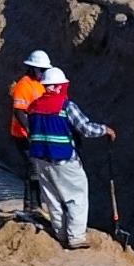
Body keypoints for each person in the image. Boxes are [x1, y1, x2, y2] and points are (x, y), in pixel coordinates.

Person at [23, 65, 114, 249]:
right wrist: (105, 129)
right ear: (58, 86)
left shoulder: (33, 107)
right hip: (63, 159)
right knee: (76, 196)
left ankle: (61, 234)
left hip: (39, 158)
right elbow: (86, 129)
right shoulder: (66, 107)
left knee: (52, 198)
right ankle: (76, 237)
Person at [8, 50, 55, 210]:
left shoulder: (42, 84)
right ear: (32, 68)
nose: (43, 73)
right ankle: (31, 206)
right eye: (40, 70)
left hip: (38, 135)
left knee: (39, 169)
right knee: (33, 168)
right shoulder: (23, 86)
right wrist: (31, 131)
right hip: (23, 136)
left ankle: (37, 204)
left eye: (44, 70)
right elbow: (19, 111)